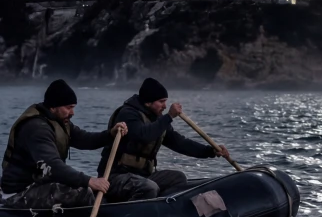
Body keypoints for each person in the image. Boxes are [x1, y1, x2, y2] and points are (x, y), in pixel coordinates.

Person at [1, 79, 150, 209]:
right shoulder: (36, 128)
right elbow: (52, 165)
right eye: (69, 107)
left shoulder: (60, 122)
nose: (72, 112)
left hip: (40, 185)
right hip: (20, 192)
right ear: (53, 107)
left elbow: (87, 140)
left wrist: (110, 134)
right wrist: (89, 181)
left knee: (89, 190)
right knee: (83, 191)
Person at [98, 77, 230, 199]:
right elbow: (143, 135)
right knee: (149, 187)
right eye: (161, 102)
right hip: (115, 177)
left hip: (143, 176)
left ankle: (163, 212)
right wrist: (169, 117)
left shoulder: (157, 119)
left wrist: (210, 151)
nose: (165, 106)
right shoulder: (127, 114)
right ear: (148, 102)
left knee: (177, 178)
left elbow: (179, 143)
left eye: (165, 101)